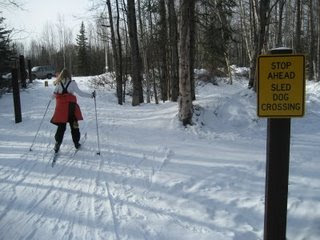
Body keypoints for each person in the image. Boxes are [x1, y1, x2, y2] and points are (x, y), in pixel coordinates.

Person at [50, 68, 95, 153]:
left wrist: (52, 97)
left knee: (61, 127)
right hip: (71, 108)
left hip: (61, 109)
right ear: (69, 75)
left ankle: (57, 144)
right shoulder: (72, 83)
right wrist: (91, 96)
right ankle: (76, 143)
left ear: (61, 75)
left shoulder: (58, 84)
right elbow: (80, 93)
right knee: (74, 125)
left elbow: (53, 96)